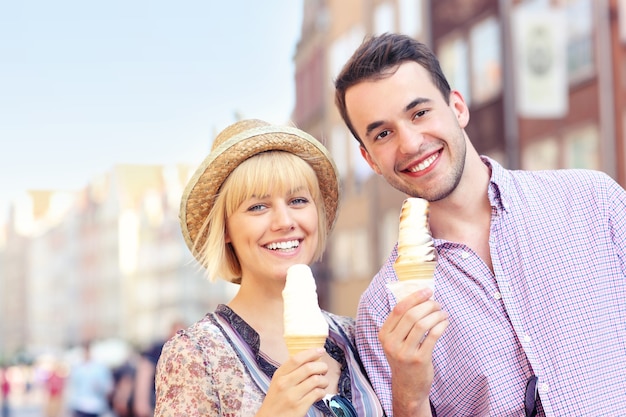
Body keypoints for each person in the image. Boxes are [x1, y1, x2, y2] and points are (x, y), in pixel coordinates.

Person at [334, 32, 626, 417]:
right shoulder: (382, 311)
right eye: (383, 133)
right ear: (369, 159)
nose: (409, 143)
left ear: (457, 107)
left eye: (419, 113)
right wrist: (409, 396)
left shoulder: (593, 202)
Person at [154, 119, 384, 416]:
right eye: (258, 207)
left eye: (298, 200)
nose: (285, 221)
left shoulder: (355, 337)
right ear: (224, 228)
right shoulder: (196, 355)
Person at [133, 321, 185, 417]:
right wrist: (142, 403)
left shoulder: (185, 353)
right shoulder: (157, 350)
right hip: (155, 401)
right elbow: (144, 375)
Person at [67, 342, 114, 417]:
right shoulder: (77, 367)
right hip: (79, 405)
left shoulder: (100, 368)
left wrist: (100, 387)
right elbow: (72, 387)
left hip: (95, 407)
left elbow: (108, 387)